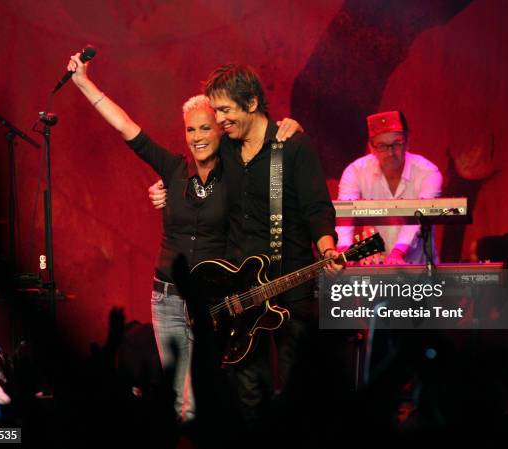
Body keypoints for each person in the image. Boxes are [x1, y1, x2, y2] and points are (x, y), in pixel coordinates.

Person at [66, 53, 300, 422]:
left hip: (213, 304)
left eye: (206, 128)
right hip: (167, 300)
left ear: (220, 129)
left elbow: (267, 143)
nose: (198, 137)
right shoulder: (174, 169)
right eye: (191, 130)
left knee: (212, 397)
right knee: (181, 403)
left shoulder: (237, 174)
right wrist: (83, 82)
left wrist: (288, 127)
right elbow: (126, 127)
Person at [149, 63, 342, 427]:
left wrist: (328, 246)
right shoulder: (228, 153)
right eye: (216, 111)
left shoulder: (293, 146)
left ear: (251, 103)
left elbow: (317, 207)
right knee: (248, 391)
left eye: (225, 110)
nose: (218, 120)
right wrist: (164, 193)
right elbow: (193, 170)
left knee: (298, 389)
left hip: (292, 286)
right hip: (242, 297)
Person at [336, 110, 443, 264]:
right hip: (373, 270)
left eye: (396, 144)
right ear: (371, 147)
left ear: (407, 142)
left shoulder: (428, 173)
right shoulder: (355, 171)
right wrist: (344, 251)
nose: (390, 152)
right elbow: (344, 216)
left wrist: (398, 252)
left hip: (420, 271)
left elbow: (419, 217)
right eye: (382, 146)